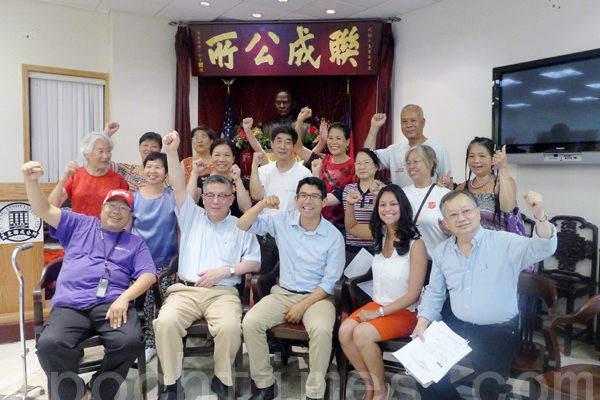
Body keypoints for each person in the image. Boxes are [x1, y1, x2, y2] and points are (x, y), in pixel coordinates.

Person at [23, 161, 157, 400]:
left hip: (111, 305)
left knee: (130, 342)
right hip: (70, 304)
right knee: (49, 344)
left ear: (130, 216)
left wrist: (124, 298)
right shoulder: (79, 224)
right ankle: (76, 391)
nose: (116, 211)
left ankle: (98, 392)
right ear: (101, 209)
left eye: (124, 208)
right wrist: (31, 181)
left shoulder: (135, 243)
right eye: (112, 205)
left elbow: (149, 274)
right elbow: (44, 210)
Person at [412, 190, 557, 400]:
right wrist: (422, 322)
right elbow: (435, 291)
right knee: (424, 372)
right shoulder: (442, 251)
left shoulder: (504, 242)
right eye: (453, 214)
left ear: (478, 213)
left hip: (497, 330)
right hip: (458, 326)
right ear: (445, 222)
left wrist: (540, 216)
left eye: (466, 211)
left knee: (489, 388)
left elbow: (543, 248)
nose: (461, 218)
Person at [155, 131, 261, 400]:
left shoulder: (241, 226)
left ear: (231, 199)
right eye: (210, 195)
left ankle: (222, 380)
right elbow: (178, 186)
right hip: (185, 292)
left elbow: (255, 261)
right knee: (165, 322)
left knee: (229, 328)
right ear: (202, 198)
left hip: (222, 293)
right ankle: (171, 385)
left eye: (222, 196)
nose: (215, 201)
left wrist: (226, 271)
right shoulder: (191, 216)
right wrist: (171, 152)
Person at [238, 177, 345, 400]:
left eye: (314, 196)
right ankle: (265, 385)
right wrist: (261, 204)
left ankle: (314, 393)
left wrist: (302, 306)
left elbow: (329, 282)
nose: (308, 201)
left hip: (317, 298)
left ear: (324, 202)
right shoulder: (283, 220)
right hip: (284, 293)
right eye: (303, 195)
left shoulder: (333, 237)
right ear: (296, 199)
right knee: (250, 322)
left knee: (321, 330)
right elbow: (242, 225)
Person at [339, 185, 427, 400]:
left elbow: (413, 295)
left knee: (362, 333)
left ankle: (381, 391)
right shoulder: (379, 234)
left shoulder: (417, 244)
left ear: (403, 207)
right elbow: (351, 226)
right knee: (344, 331)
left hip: (406, 311)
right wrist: (350, 204)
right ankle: (370, 385)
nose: (388, 209)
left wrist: (377, 313)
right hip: (378, 305)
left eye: (393, 204)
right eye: (383, 204)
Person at [131, 152, 178, 361]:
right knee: (145, 297)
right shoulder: (134, 197)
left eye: (158, 167)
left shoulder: (173, 197)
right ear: (143, 170)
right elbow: (127, 231)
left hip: (167, 263)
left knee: (168, 304)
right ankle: (148, 343)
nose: (152, 171)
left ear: (166, 172)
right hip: (140, 263)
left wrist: (180, 261)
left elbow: (179, 230)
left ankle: (167, 343)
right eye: (149, 166)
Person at [249, 125, 311, 274]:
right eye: (279, 141)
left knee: (291, 281)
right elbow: (256, 195)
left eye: (288, 142)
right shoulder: (263, 171)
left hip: (293, 238)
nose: (282, 146)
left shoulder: (304, 174)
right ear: (272, 144)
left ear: (294, 146)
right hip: (266, 238)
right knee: (263, 281)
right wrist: (254, 166)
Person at [295, 107, 356, 231]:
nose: (333, 142)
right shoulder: (322, 159)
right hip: (316, 224)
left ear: (347, 142)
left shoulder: (355, 166)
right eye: (330, 138)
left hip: (341, 227)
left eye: (338, 138)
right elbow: (297, 147)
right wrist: (300, 120)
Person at [363, 107, 451, 187]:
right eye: (404, 121)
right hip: (399, 199)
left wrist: (445, 184)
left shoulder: (439, 150)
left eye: (413, 120)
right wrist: (374, 128)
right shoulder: (393, 151)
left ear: (423, 122)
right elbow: (366, 157)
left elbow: (448, 184)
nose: (409, 125)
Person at [48, 131, 129, 218]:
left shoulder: (117, 179)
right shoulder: (75, 176)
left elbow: (126, 210)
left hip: (107, 226)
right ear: (87, 154)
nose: (105, 156)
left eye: (108, 151)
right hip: (80, 225)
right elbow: (51, 206)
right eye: (101, 151)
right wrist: (64, 178)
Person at [453, 137, 518, 232]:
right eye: (471, 156)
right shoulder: (462, 187)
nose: (476, 160)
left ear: (493, 159)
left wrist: (503, 169)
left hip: (497, 240)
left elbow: (508, 208)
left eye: (482, 156)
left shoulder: (502, 183)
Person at [325, 148, 382, 254]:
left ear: (376, 167)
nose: (362, 167)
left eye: (366, 163)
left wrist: (376, 196)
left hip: (377, 249)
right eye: (358, 163)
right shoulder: (348, 190)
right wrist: (315, 174)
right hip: (351, 250)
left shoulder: (385, 191)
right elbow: (322, 200)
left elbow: (382, 222)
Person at [402, 145, 451, 258]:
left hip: (436, 261)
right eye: (408, 163)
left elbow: (458, 231)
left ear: (430, 163)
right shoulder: (401, 194)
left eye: (416, 161)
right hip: (407, 261)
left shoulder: (445, 195)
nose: (411, 166)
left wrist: (451, 230)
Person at [186, 138, 252, 217]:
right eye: (217, 155)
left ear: (233, 158)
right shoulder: (200, 181)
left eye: (227, 155)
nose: (221, 159)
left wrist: (238, 180)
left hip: (235, 224)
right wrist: (195, 172)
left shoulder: (241, 182)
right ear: (211, 157)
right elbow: (188, 204)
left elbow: (246, 209)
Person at [103, 122, 165, 191]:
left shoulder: (164, 175)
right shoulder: (129, 170)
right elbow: (104, 164)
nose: (149, 149)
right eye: (145, 145)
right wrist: (106, 136)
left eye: (154, 146)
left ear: (160, 150)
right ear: (139, 148)